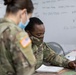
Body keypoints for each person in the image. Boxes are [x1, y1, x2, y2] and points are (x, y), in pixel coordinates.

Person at [0, 0, 36, 75]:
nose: (27, 20)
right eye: (28, 17)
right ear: (23, 13)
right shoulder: (18, 34)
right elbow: (26, 71)